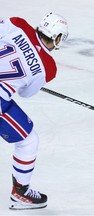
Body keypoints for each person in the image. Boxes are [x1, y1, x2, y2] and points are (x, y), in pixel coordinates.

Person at [0, 12, 68, 210]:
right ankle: (20, 192)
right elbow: (26, 93)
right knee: (28, 141)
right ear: (56, 38)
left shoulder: (18, 24)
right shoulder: (49, 68)